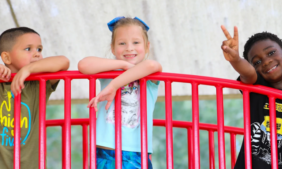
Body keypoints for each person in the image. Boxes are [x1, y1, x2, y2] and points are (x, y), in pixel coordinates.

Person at [78, 16, 162, 169]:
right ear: (113, 47)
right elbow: (84, 65)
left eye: (136, 43)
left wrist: (113, 86)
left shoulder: (149, 76)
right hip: (105, 149)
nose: (129, 48)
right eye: (122, 43)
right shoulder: (110, 70)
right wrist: (123, 64)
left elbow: (151, 64)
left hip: (136, 152)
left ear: (147, 46)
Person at [221, 25, 282, 168]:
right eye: (257, 62)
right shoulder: (257, 90)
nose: (266, 61)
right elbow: (248, 74)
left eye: (271, 53)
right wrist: (236, 59)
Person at [0, 27, 69, 169]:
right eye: (28, 49)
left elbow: (64, 61)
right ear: (6, 58)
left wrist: (28, 69)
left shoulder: (39, 83)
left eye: (39, 49)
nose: (37, 54)